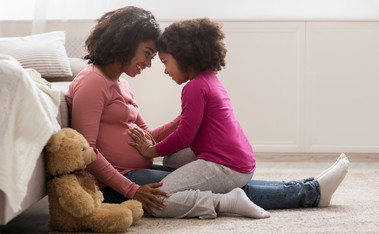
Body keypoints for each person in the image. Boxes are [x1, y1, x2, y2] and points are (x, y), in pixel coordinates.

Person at [65, 7, 348, 219]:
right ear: (125, 42)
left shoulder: (121, 84)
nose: (150, 64)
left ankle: (307, 189)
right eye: (148, 53)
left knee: (219, 177)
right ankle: (308, 193)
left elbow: (147, 136)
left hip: (138, 168)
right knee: (211, 188)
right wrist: (131, 191)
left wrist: (191, 117)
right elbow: (86, 153)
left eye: (155, 57)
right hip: (118, 179)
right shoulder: (92, 82)